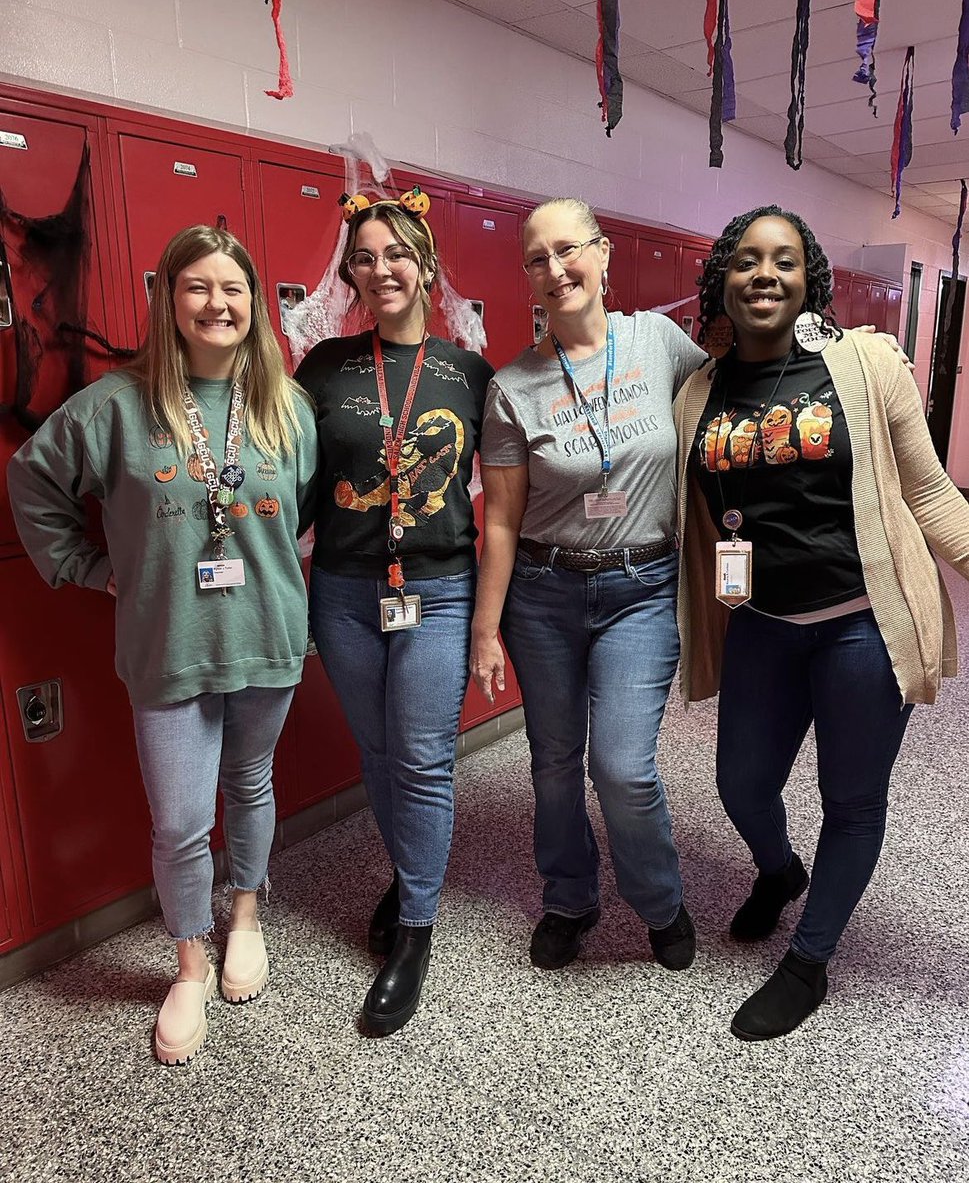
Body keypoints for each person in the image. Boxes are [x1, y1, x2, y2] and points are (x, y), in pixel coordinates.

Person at [7, 225, 318, 1064]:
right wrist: (85, 564)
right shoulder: (116, 405)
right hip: (169, 644)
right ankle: (188, 959)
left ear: (254, 304)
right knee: (180, 820)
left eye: (234, 289)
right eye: (198, 287)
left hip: (266, 634)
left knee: (250, 785)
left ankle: (245, 915)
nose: (218, 304)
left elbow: (301, 514)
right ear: (169, 299)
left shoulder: (285, 406)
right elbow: (31, 477)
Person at [674, 204, 969, 1040]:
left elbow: (931, 494)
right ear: (722, 280)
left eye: (784, 261)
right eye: (745, 261)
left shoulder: (866, 363)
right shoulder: (699, 389)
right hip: (763, 624)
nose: (764, 274)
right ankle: (777, 870)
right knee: (739, 784)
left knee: (850, 801)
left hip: (861, 630)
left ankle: (808, 961)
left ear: (809, 281)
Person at [470, 197, 710, 973]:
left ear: (602, 255)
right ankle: (567, 898)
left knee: (620, 764)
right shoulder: (513, 388)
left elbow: (737, 393)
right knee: (549, 761)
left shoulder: (659, 342)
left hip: (641, 588)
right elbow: (501, 520)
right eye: (536, 259)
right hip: (543, 593)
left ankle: (659, 900)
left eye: (567, 250)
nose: (554, 269)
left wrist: (839, 348)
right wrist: (485, 628)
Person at [294, 191, 492, 1036]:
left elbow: (518, 494)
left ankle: (414, 934)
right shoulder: (325, 366)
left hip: (438, 589)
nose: (381, 270)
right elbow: (293, 484)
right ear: (349, 273)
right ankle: (413, 870)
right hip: (342, 589)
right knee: (378, 752)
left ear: (427, 264)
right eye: (364, 257)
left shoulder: (468, 372)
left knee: (419, 757)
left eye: (396, 254)